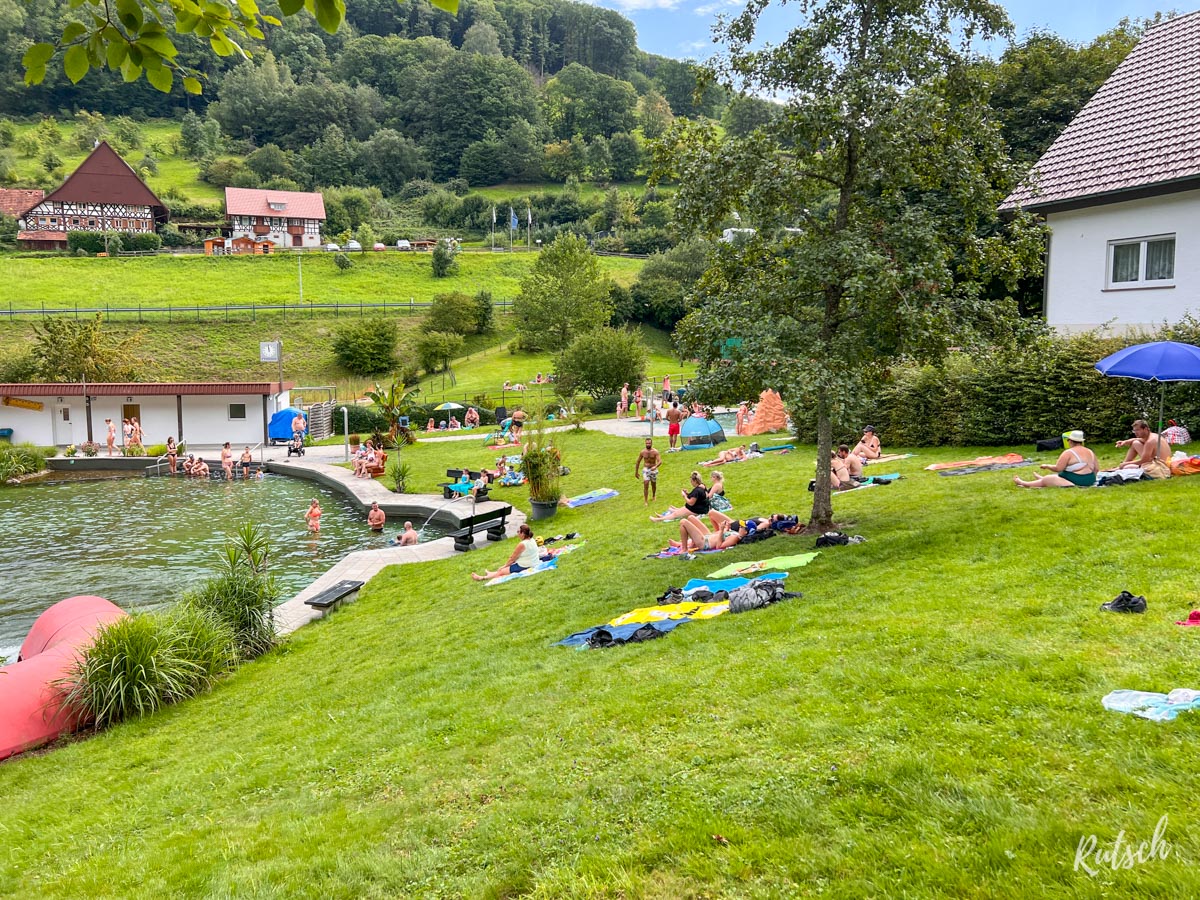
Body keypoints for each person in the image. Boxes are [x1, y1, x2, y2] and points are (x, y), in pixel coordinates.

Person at [1015, 430, 1098, 488]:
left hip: (1076, 481)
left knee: (1048, 479)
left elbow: (1058, 468)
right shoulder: (1090, 451)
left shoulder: (1069, 452)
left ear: (1070, 441)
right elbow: (1096, 469)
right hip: (1090, 480)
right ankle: (1041, 479)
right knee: (1054, 478)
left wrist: (1047, 466)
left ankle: (1024, 483)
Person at [471, 523, 540, 581]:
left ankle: (482, 578)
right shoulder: (532, 540)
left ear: (523, 533)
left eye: (518, 532)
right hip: (533, 562)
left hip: (525, 566)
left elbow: (512, 558)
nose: (517, 534)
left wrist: (504, 566)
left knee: (501, 571)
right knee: (503, 570)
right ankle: (491, 574)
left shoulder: (522, 544)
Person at [670, 515, 745, 553]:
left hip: (705, 542)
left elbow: (719, 546)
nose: (740, 526)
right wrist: (726, 529)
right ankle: (683, 543)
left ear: (745, 532)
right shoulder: (733, 532)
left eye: (743, 527)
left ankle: (684, 548)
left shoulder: (735, 537)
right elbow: (719, 535)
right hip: (709, 535)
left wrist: (722, 530)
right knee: (691, 517)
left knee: (683, 522)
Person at [634, 437, 662, 505]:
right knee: (646, 483)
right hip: (646, 469)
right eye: (647, 443)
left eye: (649, 443)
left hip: (653, 469)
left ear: (651, 443)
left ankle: (653, 495)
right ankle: (645, 501)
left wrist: (655, 466)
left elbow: (660, 461)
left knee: (653, 484)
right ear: (645, 443)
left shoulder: (655, 452)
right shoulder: (643, 452)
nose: (648, 444)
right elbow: (638, 462)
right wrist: (636, 472)